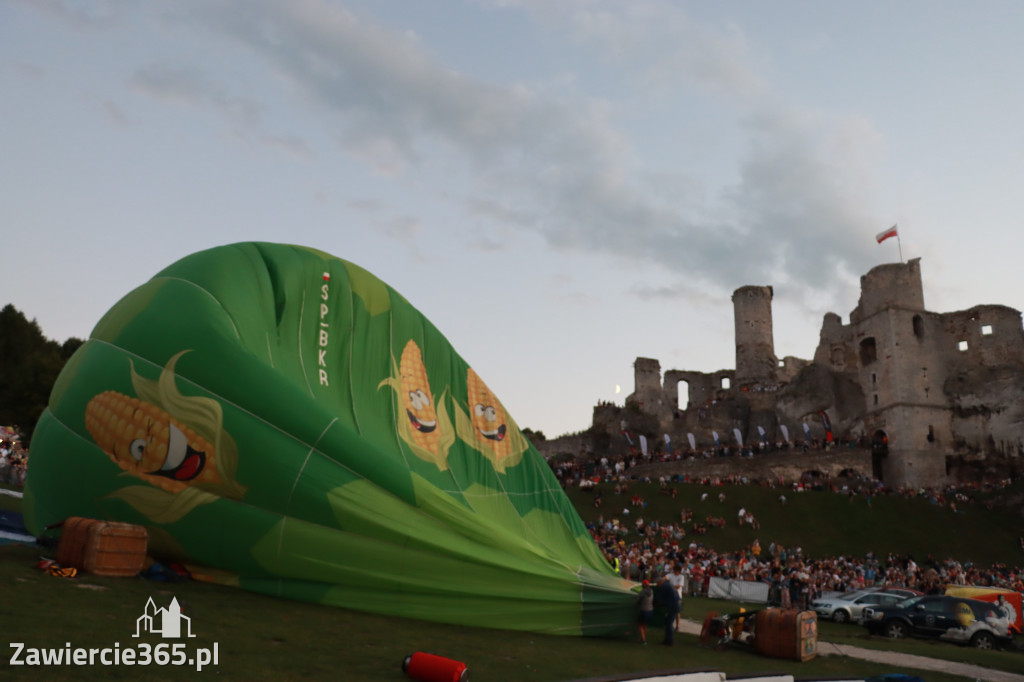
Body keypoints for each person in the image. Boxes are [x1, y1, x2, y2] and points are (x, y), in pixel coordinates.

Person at [657, 575, 681, 646]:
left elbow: (660, 598)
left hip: (673, 606)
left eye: (657, 583)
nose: (657, 585)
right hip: (676, 605)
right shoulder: (669, 585)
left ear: (660, 582)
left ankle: (670, 641)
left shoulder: (664, 587)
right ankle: (667, 639)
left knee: (669, 623)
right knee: (668, 622)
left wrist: (657, 603)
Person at [637, 579, 654, 644]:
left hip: (644, 610)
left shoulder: (643, 592)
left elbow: (637, 600)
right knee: (645, 625)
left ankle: (643, 640)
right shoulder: (651, 591)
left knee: (640, 625)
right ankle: (643, 638)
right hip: (650, 610)